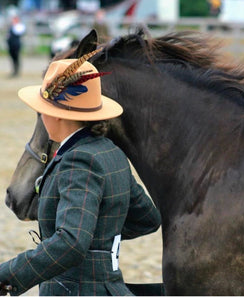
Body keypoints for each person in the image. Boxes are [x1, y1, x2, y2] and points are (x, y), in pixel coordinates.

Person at [0, 49, 161, 296]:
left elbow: (71, 242)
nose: (41, 116)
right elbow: (147, 218)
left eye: (42, 110)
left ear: (58, 116)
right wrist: (98, 238)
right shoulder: (111, 152)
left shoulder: (78, 161)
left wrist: (7, 273)